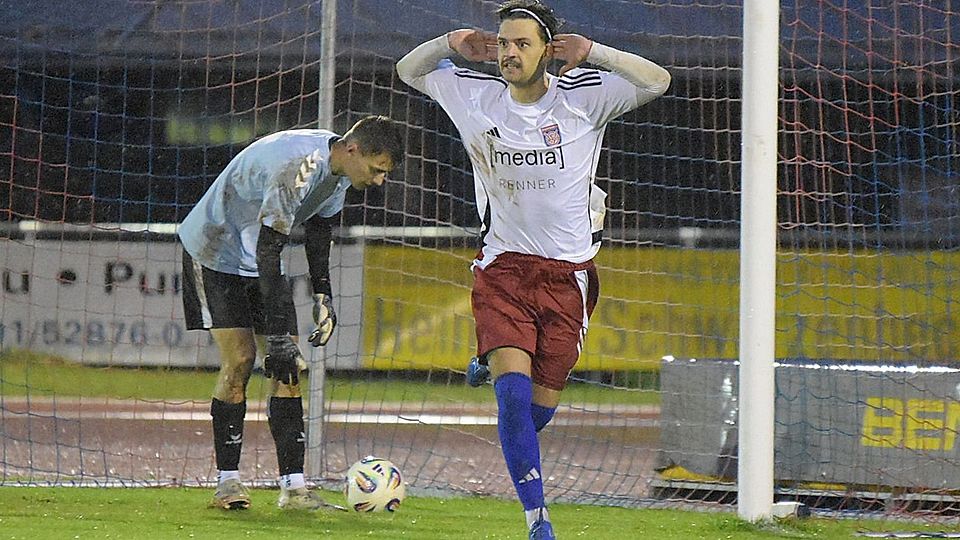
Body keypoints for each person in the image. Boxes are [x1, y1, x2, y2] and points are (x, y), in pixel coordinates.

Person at [397, 1, 670, 538]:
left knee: (534, 415)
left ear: (549, 50)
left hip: (569, 277)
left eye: (522, 44)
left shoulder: (584, 97)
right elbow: (409, 71)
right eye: (504, 43)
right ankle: (537, 518)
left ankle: (487, 369)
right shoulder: (471, 94)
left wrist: (596, 52)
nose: (510, 53)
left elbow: (657, 80)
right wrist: (452, 42)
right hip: (503, 270)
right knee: (514, 399)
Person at [178, 115, 404, 511]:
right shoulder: (299, 167)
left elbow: (319, 231)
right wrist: (279, 337)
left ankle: (294, 490)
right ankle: (227, 484)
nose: (379, 181)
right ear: (352, 150)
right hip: (216, 251)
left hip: (260, 255)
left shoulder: (338, 171)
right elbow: (269, 248)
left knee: (287, 368)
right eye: (376, 170)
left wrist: (323, 295)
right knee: (242, 360)